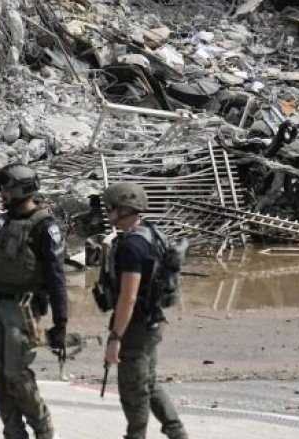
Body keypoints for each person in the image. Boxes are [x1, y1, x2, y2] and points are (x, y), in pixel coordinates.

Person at [0, 163, 67, 439]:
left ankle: (43, 430)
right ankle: (13, 432)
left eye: (6, 189)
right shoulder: (3, 221)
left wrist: (60, 322)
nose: (2, 194)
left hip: (23, 309)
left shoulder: (44, 226)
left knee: (16, 375)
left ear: (23, 189)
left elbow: (56, 276)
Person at [99, 183, 188, 439]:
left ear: (123, 209)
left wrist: (115, 338)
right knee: (148, 382)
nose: (107, 212)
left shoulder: (132, 246)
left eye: (110, 208)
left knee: (133, 390)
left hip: (136, 326)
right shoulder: (151, 233)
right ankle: (177, 432)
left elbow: (128, 297)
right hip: (152, 321)